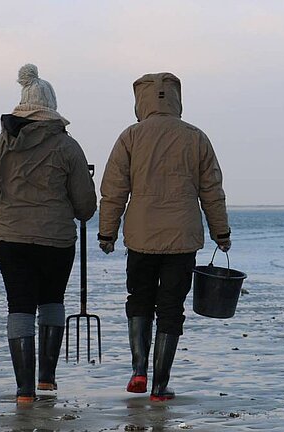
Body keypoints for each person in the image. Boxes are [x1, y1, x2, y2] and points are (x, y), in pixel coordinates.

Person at [0, 64, 97, 404]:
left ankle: (24, 391)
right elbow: (86, 207)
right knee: (52, 301)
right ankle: (46, 378)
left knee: (19, 306)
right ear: (51, 106)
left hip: (11, 240)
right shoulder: (68, 147)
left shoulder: (1, 144)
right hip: (57, 242)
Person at [98, 72, 231, 402]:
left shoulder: (130, 137)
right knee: (171, 308)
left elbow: (113, 192)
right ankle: (160, 387)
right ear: (177, 99)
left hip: (140, 236)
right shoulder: (196, 138)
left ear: (140, 101)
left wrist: (107, 233)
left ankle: (139, 370)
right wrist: (221, 232)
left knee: (139, 299)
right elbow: (212, 191)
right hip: (182, 239)